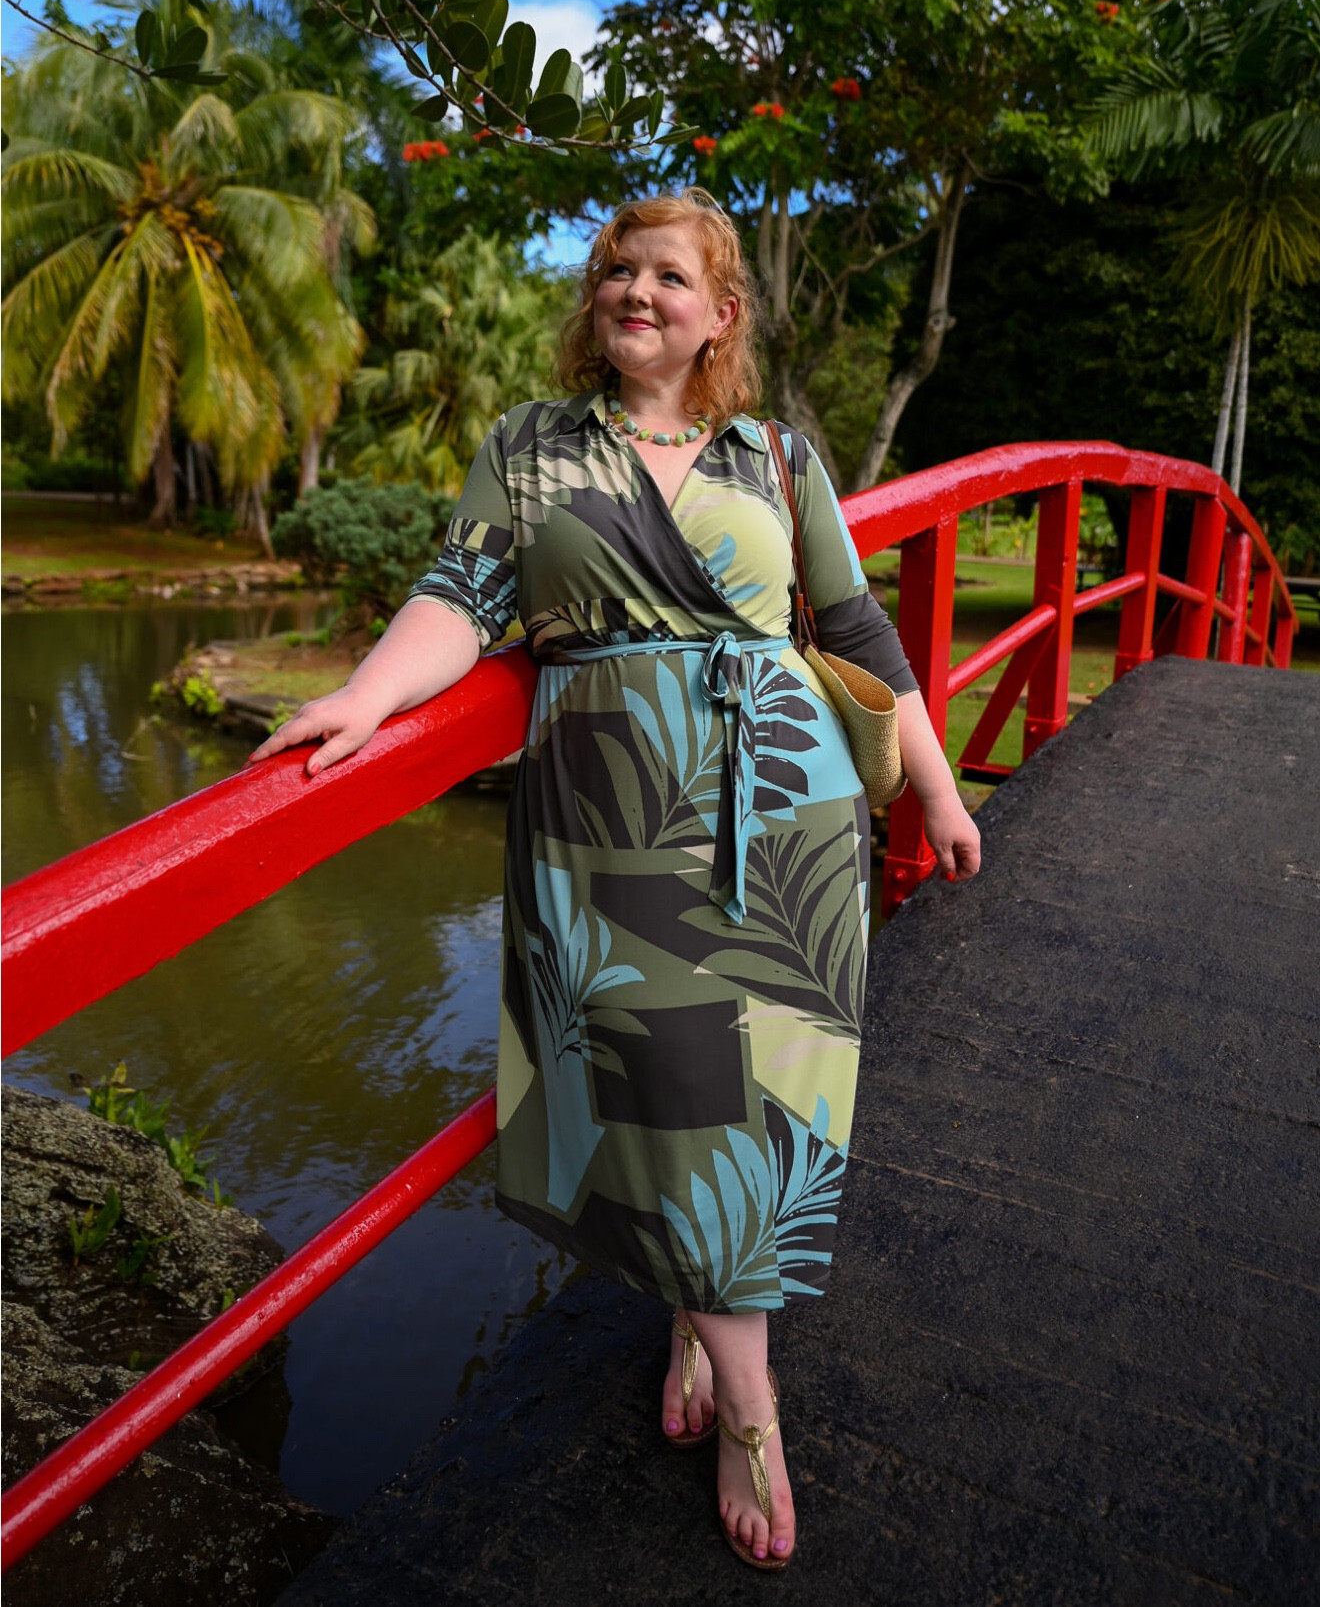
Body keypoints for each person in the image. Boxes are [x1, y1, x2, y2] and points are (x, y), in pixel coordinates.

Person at [250, 189, 980, 1570]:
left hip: (787, 819)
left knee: (749, 1108)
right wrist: (363, 693)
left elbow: (853, 620)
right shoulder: (530, 448)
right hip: (612, 818)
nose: (634, 291)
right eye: (615, 272)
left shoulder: (777, 456)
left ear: (720, 314)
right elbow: (461, 598)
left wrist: (934, 782)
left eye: (667, 274)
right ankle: (754, 1405)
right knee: (668, 1094)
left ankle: (703, 1320)